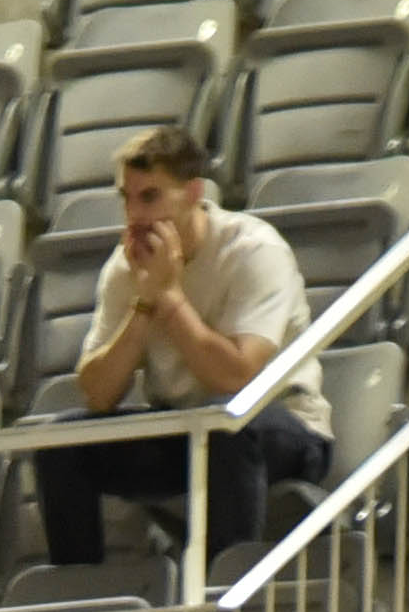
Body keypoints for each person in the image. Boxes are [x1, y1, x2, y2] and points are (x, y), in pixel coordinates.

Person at [38, 129, 330, 569]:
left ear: (192, 193)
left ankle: (219, 601)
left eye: (150, 197)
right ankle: (80, 606)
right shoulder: (125, 267)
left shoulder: (255, 250)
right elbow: (98, 394)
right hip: (182, 427)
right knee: (61, 443)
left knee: (224, 425)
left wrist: (170, 298)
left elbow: (236, 380)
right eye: (127, 198)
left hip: (279, 425)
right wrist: (143, 302)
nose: (135, 214)